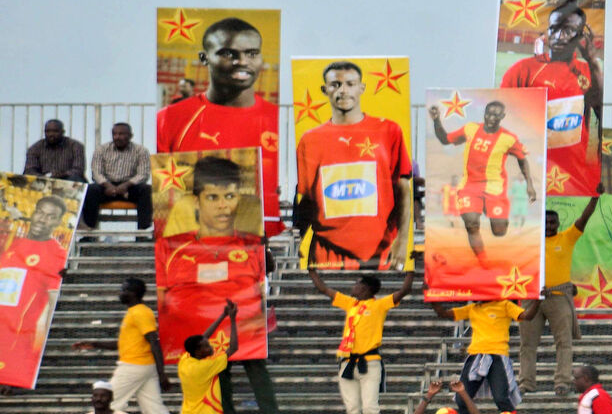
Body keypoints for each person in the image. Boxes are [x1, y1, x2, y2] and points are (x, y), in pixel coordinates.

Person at [155, 156, 280, 414]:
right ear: (196, 200)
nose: (223, 205)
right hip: (205, 326)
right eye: (213, 197)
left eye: (230, 196)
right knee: (218, 372)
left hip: (245, 322)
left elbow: (266, 270)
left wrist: (263, 247)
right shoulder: (172, 247)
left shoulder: (249, 242)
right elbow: (164, 300)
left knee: (255, 364)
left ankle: (271, 413)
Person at [155, 17, 282, 236]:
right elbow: (164, 195)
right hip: (193, 246)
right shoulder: (170, 118)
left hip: (257, 248)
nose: (242, 62)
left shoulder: (278, 118)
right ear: (204, 58)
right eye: (228, 53)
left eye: (252, 54)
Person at [295, 60, 413, 270]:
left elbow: (403, 188)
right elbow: (307, 199)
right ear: (325, 90)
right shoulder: (310, 139)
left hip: (380, 253)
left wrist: (403, 241)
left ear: (362, 88)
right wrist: (297, 240)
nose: (343, 91)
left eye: (350, 84)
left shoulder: (388, 130)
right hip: (328, 254)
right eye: (335, 85)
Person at [309, 251, 415, 414]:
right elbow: (323, 288)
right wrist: (311, 268)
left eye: (357, 283)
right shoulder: (350, 303)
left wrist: (410, 266)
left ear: (366, 289)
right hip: (347, 361)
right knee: (352, 409)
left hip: (370, 361)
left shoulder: (379, 305)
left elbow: (405, 289)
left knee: (370, 407)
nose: (353, 286)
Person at [500, 0, 603, 195]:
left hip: (572, 177)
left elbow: (601, 110)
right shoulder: (523, 69)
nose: (558, 35)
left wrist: (593, 61)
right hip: (528, 174)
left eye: (567, 30)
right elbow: (502, 115)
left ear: (581, 36)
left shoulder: (587, 71)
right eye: (554, 29)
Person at [72, 278, 184, 414]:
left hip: (133, 367)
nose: (120, 293)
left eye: (123, 290)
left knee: (106, 404)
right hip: (143, 367)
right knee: (155, 411)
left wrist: (163, 374)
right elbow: (124, 344)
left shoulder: (140, 313)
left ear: (133, 293)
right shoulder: (135, 312)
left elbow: (154, 341)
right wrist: (94, 344)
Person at [429, 100, 537, 268]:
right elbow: (445, 140)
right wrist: (436, 120)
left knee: (499, 231)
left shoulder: (509, 138)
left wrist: (529, 184)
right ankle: (484, 263)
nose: (491, 117)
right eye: (488, 113)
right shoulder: (470, 128)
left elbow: (523, 160)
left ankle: (493, 214)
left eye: (495, 115)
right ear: (484, 113)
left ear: (502, 117)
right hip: (469, 187)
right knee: (471, 224)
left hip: (495, 188)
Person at [519, 192, 600, 396]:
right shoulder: (530, 241)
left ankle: (562, 382)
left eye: (552, 222)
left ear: (557, 223)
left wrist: (595, 198)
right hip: (532, 297)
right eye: (545, 222)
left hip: (558, 296)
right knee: (527, 344)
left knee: (564, 342)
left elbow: (584, 218)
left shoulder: (567, 238)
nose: (549, 226)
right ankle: (526, 383)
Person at [0, 195, 69, 388]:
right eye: (40, 212)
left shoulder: (57, 254)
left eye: (50, 216)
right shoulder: (10, 244)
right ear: (33, 213)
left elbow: (53, 302)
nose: (42, 219)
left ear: (58, 221)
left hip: (17, 338)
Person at [431, 297, 540, 412]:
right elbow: (443, 314)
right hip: (475, 356)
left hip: (497, 355)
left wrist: (538, 301)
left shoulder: (505, 305)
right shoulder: (473, 308)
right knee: (461, 399)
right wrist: (431, 297)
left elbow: (527, 316)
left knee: (501, 399)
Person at [82, 123, 153, 231]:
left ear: (130, 136)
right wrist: (108, 186)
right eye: (114, 134)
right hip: (106, 187)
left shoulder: (141, 151)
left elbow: (143, 174)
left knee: (146, 190)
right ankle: (89, 232)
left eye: (121, 134)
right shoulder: (101, 149)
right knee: (91, 190)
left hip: (129, 187)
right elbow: (96, 172)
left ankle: (142, 232)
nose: (117, 137)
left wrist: (126, 185)